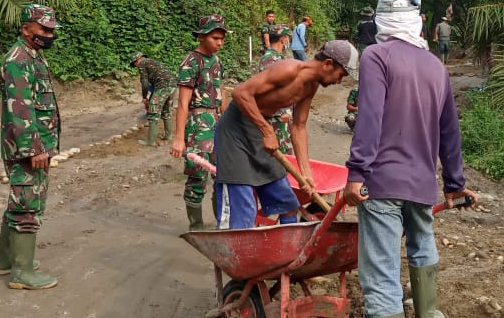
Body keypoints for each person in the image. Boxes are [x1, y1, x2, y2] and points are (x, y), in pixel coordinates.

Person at [341, 0, 478, 318]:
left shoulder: (377, 58)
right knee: (421, 245)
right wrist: (454, 183)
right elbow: (449, 131)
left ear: (381, 19)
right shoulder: (436, 66)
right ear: (419, 19)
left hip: (383, 183)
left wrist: (357, 172)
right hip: (422, 183)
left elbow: (370, 120)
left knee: (380, 276)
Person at [213, 40, 358, 229]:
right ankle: (233, 255)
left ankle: (285, 252)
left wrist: (306, 174)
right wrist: (266, 130)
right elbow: (241, 93)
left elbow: (299, 126)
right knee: (244, 210)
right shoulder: (288, 70)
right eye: (341, 74)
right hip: (235, 132)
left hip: (258, 131)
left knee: (288, 204)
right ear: (328, 64)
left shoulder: (311, 86)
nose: (338, 81)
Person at [0, 3, 63, 290]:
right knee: (27, 203)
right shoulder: (19, 60)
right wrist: (34, 148)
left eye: (51, 30)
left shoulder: (32, 55)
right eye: (44, 29)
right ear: (26, 29)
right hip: (28, 148)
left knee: (21, 199)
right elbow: (20, 110)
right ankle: (21, 273)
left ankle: (8, 260)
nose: (49, 34)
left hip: (34, 145)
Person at [170, 14, 227, 231]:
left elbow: (221, 92)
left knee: (221, 173)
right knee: (197, 175)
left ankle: (222, 224)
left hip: (217, 123)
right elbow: (183, 104)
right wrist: (179, 139)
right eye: (215, 38)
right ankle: (197, 227)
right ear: (202, 37)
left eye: (222, 38)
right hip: (197, 125)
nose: (219, 42)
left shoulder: (217, 60)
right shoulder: (191, 62)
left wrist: (228, 121)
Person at [257, 24, 294, 155]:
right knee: (279, 154)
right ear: (283, 39)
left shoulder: (279, 58)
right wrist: (282, 111)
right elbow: (270, 89)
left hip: (282, 115)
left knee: (285, 151)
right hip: (276, 116)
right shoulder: (270, 59)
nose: (289, 41)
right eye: (288, 38)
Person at [131, 52, 176, 147]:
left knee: (153, 113)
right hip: (172, 86)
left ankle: (150, 141)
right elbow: (153, 85)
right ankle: (169, 135)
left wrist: (144, 97)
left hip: (162, 87)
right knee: (166, 111)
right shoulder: (153, 63)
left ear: (137, 60)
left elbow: (145, 83)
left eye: (134, 64)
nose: (135, 66)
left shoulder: (142, 64)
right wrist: (148, 98)